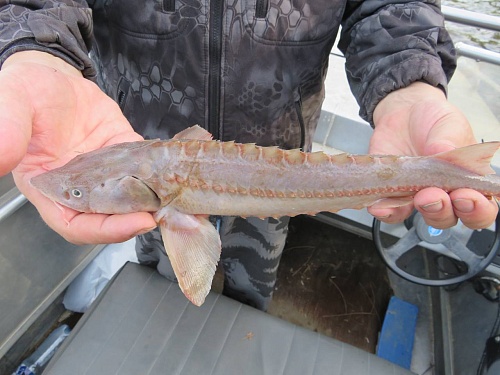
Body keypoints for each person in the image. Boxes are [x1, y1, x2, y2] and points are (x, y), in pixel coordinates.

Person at [0, 1, 497, 310]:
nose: (75, 194)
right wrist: (34, 49)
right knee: (158, 264)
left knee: (253, 277)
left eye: (79, 191)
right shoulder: (149, 183)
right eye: (79, 190)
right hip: (129, 129)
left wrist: (406, 88)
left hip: (278, 141)